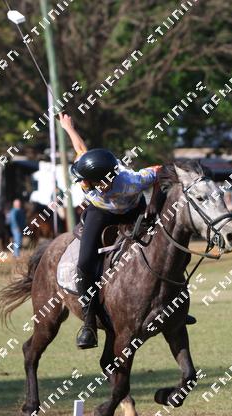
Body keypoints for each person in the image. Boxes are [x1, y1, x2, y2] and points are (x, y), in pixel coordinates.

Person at [59, 112, 161, 349]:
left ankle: (173, 304)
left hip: (132, 209)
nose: (83, 183)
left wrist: (154, 204)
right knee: (85, 261)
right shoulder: (89, 170)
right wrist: (68, 127)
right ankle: (89, 322)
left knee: (163, 249)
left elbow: (159, 170)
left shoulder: (132, 181)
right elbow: (81, 149)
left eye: (89, 182)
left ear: (105, 181)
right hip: (100, 212)